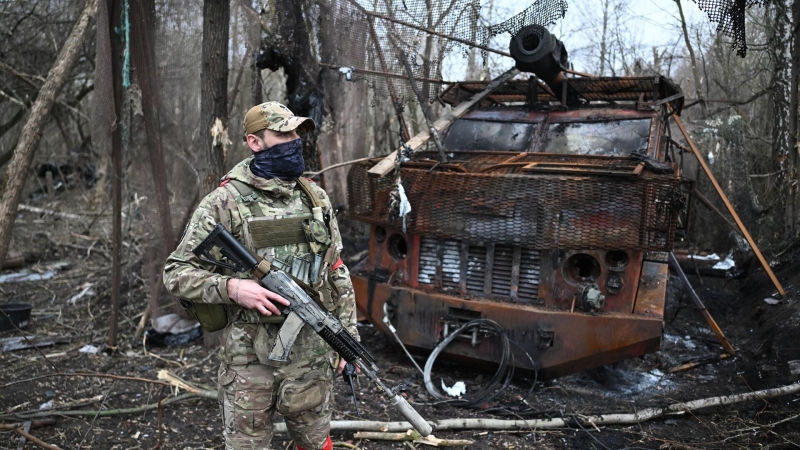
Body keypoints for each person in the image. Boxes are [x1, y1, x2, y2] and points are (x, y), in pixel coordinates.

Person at [163, 101, 359, 450]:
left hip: (311, 355)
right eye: (283, 133)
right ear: (255, 143)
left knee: (316, 443)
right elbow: (176, 273)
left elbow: (336, 270)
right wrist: (234, 288)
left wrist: (347, 338)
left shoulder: (315, 198)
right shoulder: (224, 202)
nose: (294, 140)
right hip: (248, 360)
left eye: (296, 132)